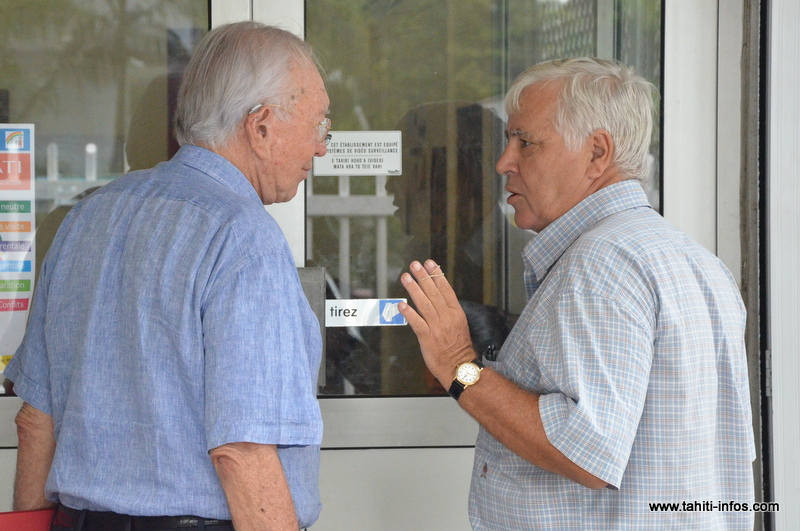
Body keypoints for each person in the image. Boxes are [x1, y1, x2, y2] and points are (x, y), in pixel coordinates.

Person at [398, 57, 756, 529]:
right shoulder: (693, 259)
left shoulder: (601, 262)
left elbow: (586, 451)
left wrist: (458, 365)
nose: (504, 162)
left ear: (597, 153)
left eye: (525, 142)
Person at [4, 21, 330, 531]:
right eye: (319, 125)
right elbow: (242, 451)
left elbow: (34, 422)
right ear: (261, 125)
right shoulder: (243, 237)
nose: (322, 148)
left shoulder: (86, 218)